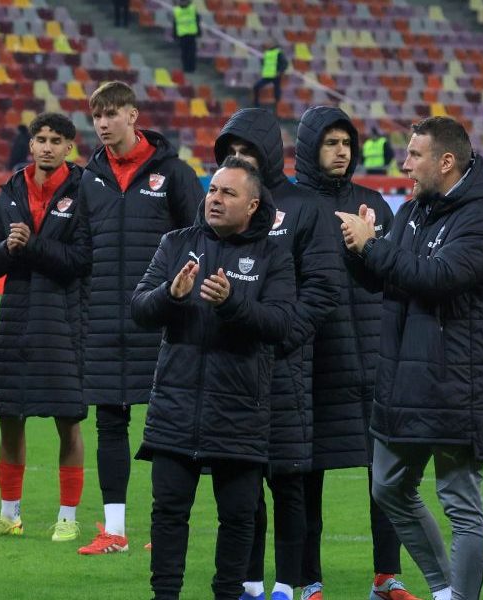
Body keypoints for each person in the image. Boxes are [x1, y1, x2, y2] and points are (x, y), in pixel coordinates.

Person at [335, 116, 483, 600]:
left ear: (446, 161)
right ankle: (443, 588)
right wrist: (361, 251)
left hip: (458, 380)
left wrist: (374, 247)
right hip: (406, 377)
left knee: (459, 502)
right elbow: (391, 277)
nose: (405, 164)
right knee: (388, 487)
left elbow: (438, 277)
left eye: (414, 155)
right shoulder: (417, 210)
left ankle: (459, 597)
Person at [132, 157, 296, 600]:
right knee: (168, 513)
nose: (215, 199)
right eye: (213, 190)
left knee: (239, 517)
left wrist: (232, 304)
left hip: (240, 407)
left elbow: (282, 324)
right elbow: (139, 307)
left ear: (252, 204)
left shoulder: (273, 255)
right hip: (174, 405)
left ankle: (228, 595)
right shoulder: (175, 243)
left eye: (228, 193)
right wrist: (170, 295)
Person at [213, 108, 341, 600]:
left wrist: (284, 337)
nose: (238, 160)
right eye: (231, 153)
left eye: (247, 151)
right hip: (234, 368)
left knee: (289, 483)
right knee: (242, 486)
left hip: (286, 368)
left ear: (269, 152)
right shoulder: (222, 206)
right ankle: (247, 580)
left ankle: (289, 583)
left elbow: (323, 288)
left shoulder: (306, 207)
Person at [289, 106, 416, 600]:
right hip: (315, 358)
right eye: (329, 143)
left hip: (374, 357)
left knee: (382, 475)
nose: (341, 152)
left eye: (346, 143)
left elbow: (395, 275)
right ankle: (308, 579)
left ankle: (388, 576)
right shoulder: (292, 206)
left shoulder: (374, 204)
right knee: (306, 475)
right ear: (308, 148)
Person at [75, 81, 202, 555]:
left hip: (166, 315)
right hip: (107, 319)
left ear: (133, 115)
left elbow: (199, 240)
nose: (103, 123)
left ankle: (165, 526)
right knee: (110, 422)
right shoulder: (90, 178)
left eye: (111, 113)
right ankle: (113, 531)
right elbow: (84, 249)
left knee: (169, 426)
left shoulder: (173, 173)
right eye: (96, 116)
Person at [0, 113, 88, 543]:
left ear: (70, 147)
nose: (47, 147)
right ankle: (9, 515)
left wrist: (31, 244)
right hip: (17, 320)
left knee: (67, 420)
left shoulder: (84, 192)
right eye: (41, 139)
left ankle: (68, 516)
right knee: (9, 417)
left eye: (57, 140)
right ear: (31, 144)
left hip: (64, 319)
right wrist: (7, 247)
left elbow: (82, 260)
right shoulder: (11, 191)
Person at [172, 0, 199, 74]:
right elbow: (175, 23)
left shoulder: (192, 8)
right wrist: (174, 34)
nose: (184, 2)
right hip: (182, 35)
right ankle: (186, 68)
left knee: (192, 53)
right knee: (184, 53)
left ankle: (192, 68)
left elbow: (197, 20)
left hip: (191, 34)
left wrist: (199, 32)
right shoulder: (176, 10)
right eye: (182, 1)